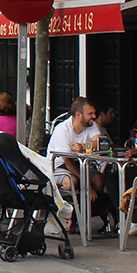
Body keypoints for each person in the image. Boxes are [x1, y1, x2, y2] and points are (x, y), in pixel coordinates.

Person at [47, 97, 108, 231]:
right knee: (71, 182)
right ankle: (72, 217)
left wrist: (83, 146)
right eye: (90, 114)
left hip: (83, 165)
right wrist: (87, 184)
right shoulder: (62, 129)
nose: (94, 116)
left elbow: (99, 143)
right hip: (59, 167)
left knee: (99, 179)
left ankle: (83, 214)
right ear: (79, 115)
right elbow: (67, 162)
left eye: (94, 113)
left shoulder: (91, 126)